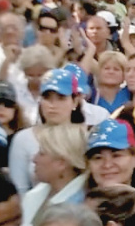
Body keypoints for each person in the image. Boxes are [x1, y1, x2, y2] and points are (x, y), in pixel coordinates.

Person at [8, 68, 85, 196]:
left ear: (75, 101)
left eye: (61, 98)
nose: (52, 105)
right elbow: (19, 189)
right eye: (47, 97)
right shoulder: (23, 139)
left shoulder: (85, 136)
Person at [21, 124, 89, 224]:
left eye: (42, 153)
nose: (34, 159)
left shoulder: (81, 209)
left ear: (61, 163)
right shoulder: (36, 194)